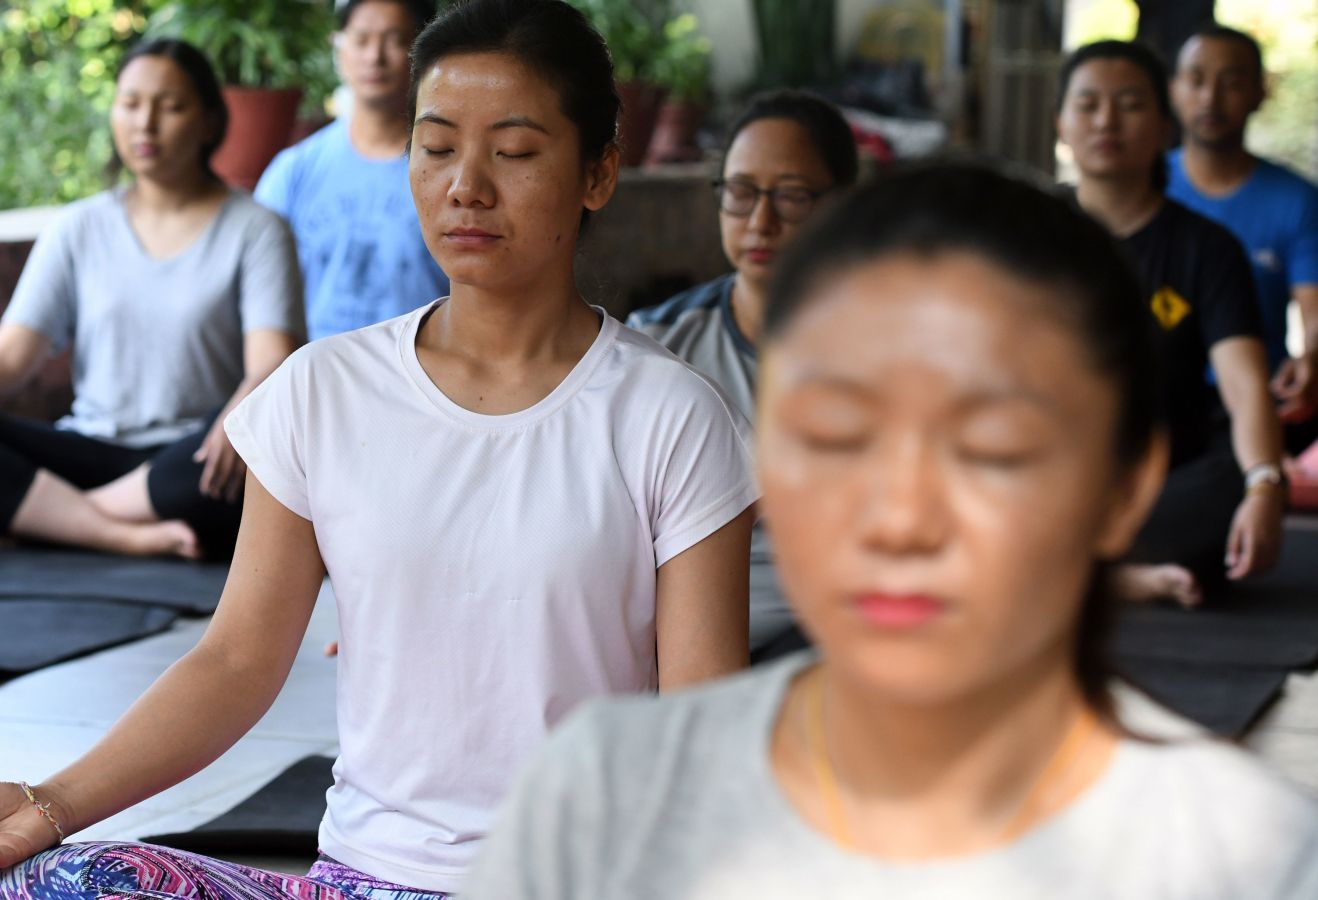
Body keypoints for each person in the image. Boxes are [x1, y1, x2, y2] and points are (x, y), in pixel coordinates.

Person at [0, 0, 754, 896]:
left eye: (513, 153)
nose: (466, 185)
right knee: (68, 881)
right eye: (435, 148)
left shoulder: (669, 415)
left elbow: (704, 732)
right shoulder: (324, 390)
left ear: (597, 174)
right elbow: (237, 662)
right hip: (357, 880)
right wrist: (44, 807)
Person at [461, 162, 1318, 900]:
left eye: (990, 450)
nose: (900, 519)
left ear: (1124, 489)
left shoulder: (1241, 859)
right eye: (835, 438)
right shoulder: (603, 796)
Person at [0, 39, 303, 561]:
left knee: (239, 469)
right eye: (131, 103)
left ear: (210, 123)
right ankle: (120, 534)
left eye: (170, 106)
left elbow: (271, 363)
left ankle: (51, 519)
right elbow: (12, 358)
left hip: (190, 457)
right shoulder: (78, 227)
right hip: (90, 445)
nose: (145, 123)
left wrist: (234, 422)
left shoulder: (256, 229)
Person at [627, 90, 859, 661]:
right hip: (678, 647)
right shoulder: (656, 344)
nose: (762, 221)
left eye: (793, 197)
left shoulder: (892, 353)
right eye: (741, 193)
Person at [1056, 40, 1285, 608]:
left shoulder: (1207, 249)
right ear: (1061, 123)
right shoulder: (1026, 234)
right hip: (1046, 471)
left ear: (1164, 124)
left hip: (1161, 482)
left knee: (1233, 483)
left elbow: (1244, 384)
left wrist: (1265, 483)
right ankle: (1116, 578)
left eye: (1130, 104)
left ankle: (1062, 571)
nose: (1106, 119)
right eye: (1087, 104)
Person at [255, 0, 449, 340]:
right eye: (361, 39)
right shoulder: (293, 171)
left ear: (423, 51)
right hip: (312, 378)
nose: (374, 56)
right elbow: (259, 296)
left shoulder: (453, 174)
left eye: (393, 39)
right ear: (338, 46)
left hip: (419, 381)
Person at [1168, 25, 1318, 454]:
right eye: (1196, 80)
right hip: (1152, 400)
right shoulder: (1145, 192)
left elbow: (1313, 311)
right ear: (1174, 90)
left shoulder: (1297, 201)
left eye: (1231, 82)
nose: (1210, 98)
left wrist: (1311, 358)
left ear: (1259, 91)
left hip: (1256, 401)